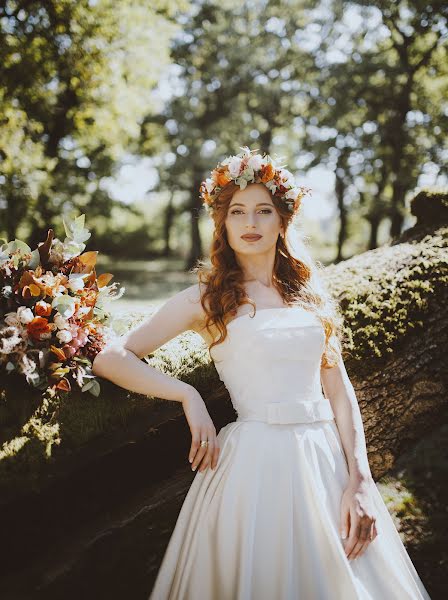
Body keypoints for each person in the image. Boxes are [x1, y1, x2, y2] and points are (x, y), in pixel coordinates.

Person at [92, 146, 432, 599]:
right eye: (237, 212)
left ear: (282, 220)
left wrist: (361, 479)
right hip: (252, 465)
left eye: (263, 211)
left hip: (323, 461)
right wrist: (186, 396)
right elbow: (111, 357)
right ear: (224, 223)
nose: (250, 223)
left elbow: (338, 388)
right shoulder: (208, 296)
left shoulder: (309, 293)